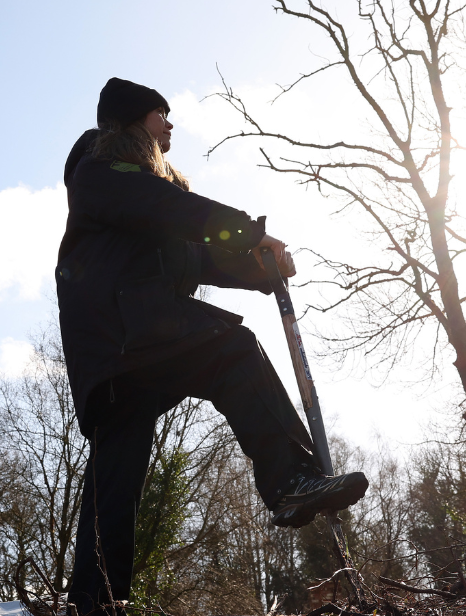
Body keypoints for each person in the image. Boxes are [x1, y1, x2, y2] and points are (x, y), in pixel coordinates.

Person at [57, 77, 368, 616]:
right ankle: (288, 478)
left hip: (118, 352)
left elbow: (192, 257)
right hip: (128, 330)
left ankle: (93, 600)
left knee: (118, 468)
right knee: (232, 349)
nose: (170, 125)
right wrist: (250, 232)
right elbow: (174, 213)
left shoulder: (135, 196)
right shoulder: (103, 170)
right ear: (135, 122)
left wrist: (259, 271)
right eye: (161, 115)